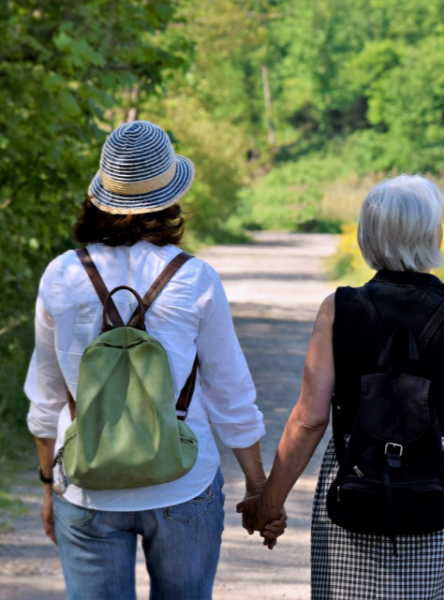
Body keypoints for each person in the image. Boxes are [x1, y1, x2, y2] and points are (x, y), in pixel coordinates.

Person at [237, 174, 444, 599]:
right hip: (439, 477)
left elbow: (309, 420)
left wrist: (270, 502)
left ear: (368, 236)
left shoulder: (338, 310)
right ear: (434, 235)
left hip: (357, 469)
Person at [25, 120, 284, 600]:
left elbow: (44, 397)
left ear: (100, 196)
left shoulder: (61, 275)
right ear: (169, 198)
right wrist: (258, 487)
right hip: (182, 482)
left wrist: (48, 487)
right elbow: (230, 394)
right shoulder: (195, 278)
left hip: (87, 487)